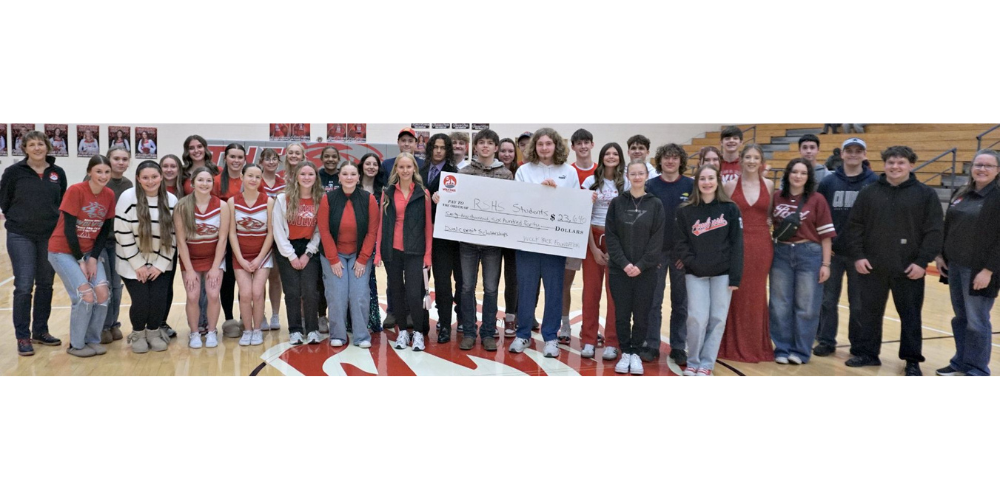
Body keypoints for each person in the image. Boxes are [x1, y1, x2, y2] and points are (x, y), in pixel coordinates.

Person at [847, 146, 943, 375]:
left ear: (911, 165)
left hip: (909, 268)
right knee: (869, 313)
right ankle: (868, 354)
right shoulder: (869, 192)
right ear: (884, 164)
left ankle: (912, 360)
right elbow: (855, 226)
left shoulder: (926, 195)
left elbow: (934, 231)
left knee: (910, 316)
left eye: (901, 162)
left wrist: (922, 262)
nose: (895, 167)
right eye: (891, 162)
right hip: (872, 267)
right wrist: (858, 256)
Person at [509, 128, 581, 357]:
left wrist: (557, 194)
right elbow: (517, 201)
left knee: (554, 290)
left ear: (556, 145)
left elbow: (575, 204)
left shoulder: (569, 172)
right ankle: (523, 334)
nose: (544, 148)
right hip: (527, 241)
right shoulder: (523, 171)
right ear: (534, 147)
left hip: (555, 242)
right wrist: (541, 193)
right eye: (540, 144)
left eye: (548, 143)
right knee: (526, 289)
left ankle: (550, 337)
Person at [0, 131, 67, 356]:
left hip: (49, 236)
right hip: (21, 235)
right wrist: (20, 218)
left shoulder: (57, 172)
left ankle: (40, 331)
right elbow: (5, 201)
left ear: (47, 146)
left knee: (46, 284)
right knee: (24, 285)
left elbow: (61, 202)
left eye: (40, 143)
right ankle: (22, 336)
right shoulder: (13, 172)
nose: (37, 148)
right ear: (25, 149)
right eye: (31, 145)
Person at [673, 165, 743, 376]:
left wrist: (735, 276)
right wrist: (692, 263)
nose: (707, 182)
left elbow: (737, 244)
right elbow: (680, 242)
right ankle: (693, 360)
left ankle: (706, 363)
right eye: (702, 179)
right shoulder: (685, 210)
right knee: (696, 318)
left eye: (711, 178)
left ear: (717, 181)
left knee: (717, 319)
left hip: (723, 274)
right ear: (696, 182)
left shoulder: (730, 209)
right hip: (695, 273)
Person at [935, 149, 1000, 376]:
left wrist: (988, 270)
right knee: (961, 318)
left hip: (980, 270)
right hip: (955, 266)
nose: (982, 169)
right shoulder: (962, 192)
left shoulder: (997, 197)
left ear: (997, 170)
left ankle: (978, 368)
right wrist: (940, 254)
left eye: (988, 165)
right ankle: (960, 362)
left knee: (977, 320)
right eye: (978, 164)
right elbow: (948, 225)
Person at [47, 154, 116, 357]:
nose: (103, 176)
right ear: (89, 172)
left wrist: (92, 258)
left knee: (102, 292)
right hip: (62, 251)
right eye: (98, 171)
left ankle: (92, 340)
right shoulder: (76, 190)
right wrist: (80, 260)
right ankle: (76, 345)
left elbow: (104, 230)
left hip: (88, 252)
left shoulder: (109, 194)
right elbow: (69, 229)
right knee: (85, 295)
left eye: (107, 172)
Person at [813, 137, 877, 357]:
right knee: (828, 300)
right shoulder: (829, 182)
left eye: (858, 151)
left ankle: (857, 345)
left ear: (864, 154)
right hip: (833, 252)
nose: (853, 154)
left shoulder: (874, 182)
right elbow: (819, 215)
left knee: (858, 303)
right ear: (842, 154)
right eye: (849, 150)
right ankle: (826, 340)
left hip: (860, 255)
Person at [768, 159, 835, 365]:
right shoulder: (777, 197)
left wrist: (825, 264)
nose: (798, 176)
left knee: (807, 306)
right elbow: (768, 222)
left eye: (803, 173)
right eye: (795, 172)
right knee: (779, 304)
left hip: (809, 253)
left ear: (809, 177)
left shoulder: (817, 199)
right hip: (781, 253)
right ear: (788, 174)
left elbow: (826, 236)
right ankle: (782, 348)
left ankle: (800, 351)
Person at [605, 160, 665, 375]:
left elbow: (657, 240)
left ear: (647, 175)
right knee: (621, 314)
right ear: (627, 176)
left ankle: (636, 352)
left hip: (646, 271)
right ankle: (625, 352)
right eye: (633, 174)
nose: (637, 177)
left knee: (642, 314)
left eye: (641, 173)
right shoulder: (617, 203)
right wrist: (624, 263)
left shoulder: (656, 204)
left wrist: (640, 265)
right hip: (619, 270)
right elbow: (611, 237)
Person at [454, 128, 512, 351]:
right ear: (475, 146)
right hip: (468, 243)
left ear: (496, 147)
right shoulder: (464, 172)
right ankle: (469, 332)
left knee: (491, 289)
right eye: (481, 142)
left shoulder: (505, 174)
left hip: (492, 244)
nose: (485, 146)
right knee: (467, 287)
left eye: (489, 143)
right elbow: (455, 202)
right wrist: (443, 197)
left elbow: (511, 206)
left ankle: (488, 332)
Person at [719, 144, 775, 363]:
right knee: (736, 293)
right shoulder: (730, 185)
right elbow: (724, 217)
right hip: (737, 244)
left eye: (756, 157)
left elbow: (769, 215)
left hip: (761, 245)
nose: (752, 161)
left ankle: (756, 345)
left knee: (757, 294)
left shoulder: (769, 185)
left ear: (761, 161)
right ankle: (731, 344)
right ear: (741, 160)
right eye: (748, 157)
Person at [115, 160, 177, 354]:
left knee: (158, 299)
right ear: (138, 179)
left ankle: (153, 332)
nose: (150, 181)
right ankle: (138, 334)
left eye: (154, 177)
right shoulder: (127, 197)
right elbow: (122, 233)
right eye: (145, 177)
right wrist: (138, 265)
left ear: (161, 177)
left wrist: (159, 265)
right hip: (131, 262)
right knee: (141, 300)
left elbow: (173, 236)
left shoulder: (171, 200)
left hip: (161, 262)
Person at [374, 153, 433, 352]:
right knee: (396, 293)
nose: (405, 170)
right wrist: (378, 252)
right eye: (401, 167)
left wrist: (428, 255)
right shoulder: (387, 192)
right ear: (396, 169)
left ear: (414, 168)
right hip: (392, 251)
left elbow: (428, 226)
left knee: (414, 294)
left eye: (409, 167)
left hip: (415, 251)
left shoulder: (423, 193)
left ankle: (418, 333)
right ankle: (402, 332)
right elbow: (381, 224)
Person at [318, 162, 379, 348]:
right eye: (345, 174)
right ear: (339, 177)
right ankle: (338, 334)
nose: (349, 177)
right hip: (333, 255)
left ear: (358, 177)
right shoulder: (328, 199)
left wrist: (362, 259)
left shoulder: (368, 199)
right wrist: (333, 259)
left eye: (353, 174)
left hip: (359, 255)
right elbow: (324, 230)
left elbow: (372, 232)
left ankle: (361, 336)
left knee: (359, 294)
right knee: (337, 294)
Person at [644, 143, 695, 364]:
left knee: (680, 303)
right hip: (657, 253)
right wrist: (651, 253)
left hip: (681, 254)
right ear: (660, 161)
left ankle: (678, 346)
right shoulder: (650, 186)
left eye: (674, 157)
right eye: (666, 157)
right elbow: (645, 221)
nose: (670, 161)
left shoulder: (691, 186)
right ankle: (651, 344)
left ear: (680, 161)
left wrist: (688, 253)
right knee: (653, 301)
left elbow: (696, 222)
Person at [579, 142, 626, 360]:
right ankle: (588, 339)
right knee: (591, 293)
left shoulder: (626, 182)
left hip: (618, 239)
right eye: (608, 153)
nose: (611, 156)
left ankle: (612, 342)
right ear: (602, 157)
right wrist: (593, 248)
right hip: (593, 237)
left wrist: (618, 248)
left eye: (615, 153)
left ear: (620, 158)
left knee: (614, 294)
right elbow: (583, 216)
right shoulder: (590, 181)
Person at [174, 167, 229, 349]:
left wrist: (215, 267)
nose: (204, 184)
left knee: (213, 294)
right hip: (191, 259)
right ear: (192, 183)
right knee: (192, 296)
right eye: (200, 180)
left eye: (208, 181)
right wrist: (189, 270)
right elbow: (181, 241)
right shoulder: (182, 206)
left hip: (214, 258)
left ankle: (212, 331)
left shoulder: (222, 206)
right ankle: (195, 333)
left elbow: (222, 239)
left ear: (213, 184)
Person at [273, 161, 324, 346]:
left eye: (311, 174)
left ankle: (312, 329)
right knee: (292, 291)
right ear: (296, 176)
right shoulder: (282, 199)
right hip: (287, 248)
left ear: (316, 177)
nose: (306, 178)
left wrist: (308, 253)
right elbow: (278, 230)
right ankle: (294, 330)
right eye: (303, 174)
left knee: (310, 290)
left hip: (310, 248)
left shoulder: (320, 199)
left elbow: (320, 230)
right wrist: (292, 256)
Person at [228, 163, 274, 346]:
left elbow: (270, 233)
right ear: (242, 177)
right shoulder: (232, 202)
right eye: (250, 176)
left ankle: (257, 330)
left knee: (257, 292)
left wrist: (259, 258)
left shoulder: (268, 201)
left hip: (262, 254)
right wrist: (240, 258)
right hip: (241, 255)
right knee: (245, 294)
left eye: (257, 177)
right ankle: (247, 330)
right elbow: (232, 233)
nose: (253, 180)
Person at [423, 133, 463, 343]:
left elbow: (458, 205)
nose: (438, 151)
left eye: (442, 147)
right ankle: (420, 324)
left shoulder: (454, 173)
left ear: (448, 151)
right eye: (435, 147)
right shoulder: (419, 170)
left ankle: (445, 325)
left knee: (442, 282)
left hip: (443, 238)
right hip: (420, 234)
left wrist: (442, 202)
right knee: (419, 281)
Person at [560, 128, 598, 344]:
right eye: (579, 143)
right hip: (572, 236)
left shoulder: (601, 171)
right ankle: (565, 324)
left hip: (596, 237)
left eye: (587, 142)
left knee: (592, 287)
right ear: (573, 147)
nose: (583, 146)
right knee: (566, 283)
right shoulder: (568, 172)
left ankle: (589, 326)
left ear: (592, 144)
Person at [94, 145, 132, 344]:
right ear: (108, 159)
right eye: (116, 158)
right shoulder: (96, 180)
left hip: (119, 242)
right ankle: (101, 327)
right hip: (98, 242)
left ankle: (112, 324)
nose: (120, 162)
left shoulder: (128, 184)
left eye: (124, 159)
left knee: (116, 286)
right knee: (104, 285)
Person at [214, 143, 246, 337]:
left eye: (239, 157)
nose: (236, 160)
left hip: (246, 239)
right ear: (225, 158)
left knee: (245, 280)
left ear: (244, 159)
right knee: (228, 280)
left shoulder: (250, 179)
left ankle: (245, 316)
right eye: (232, 156)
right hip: (223, 239)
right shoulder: (217, 182)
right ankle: (229, 320)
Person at [358, 152, 386, 334]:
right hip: (353, 241)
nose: (371, 167)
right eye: (368, 163)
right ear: (361, 165)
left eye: (374, 164)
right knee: (354, 281)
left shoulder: (383, 191)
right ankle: (352, 320)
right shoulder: (353, 187)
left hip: (374, 241)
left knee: (369, 280)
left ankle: (370, 320)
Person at [258, 147, 285, 332]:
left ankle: (275, 314)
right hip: (258, 234)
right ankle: (260, 314)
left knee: (275, 276)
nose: (271, 162)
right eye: (267, 158)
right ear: (261, 162)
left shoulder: (284, 182)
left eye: (274, 158)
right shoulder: (255, 179)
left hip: (278, 234)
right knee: (259, 278)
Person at [497, 137, 520, 335]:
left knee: (513, 278)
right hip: (494, 234)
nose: (506, 154)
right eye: (503, 151)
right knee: (492, 279)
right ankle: (489, 318)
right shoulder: (490, 172)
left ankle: (511, 317)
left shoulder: (522, 173)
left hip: (515, 235)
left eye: (510, 151)